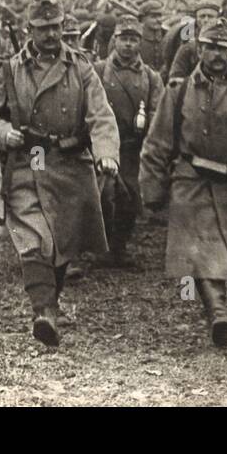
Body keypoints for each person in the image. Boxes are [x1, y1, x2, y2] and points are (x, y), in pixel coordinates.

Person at [0, 0, 121, 347]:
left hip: (71, 164)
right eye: (43, 29)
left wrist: (106, 152)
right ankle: (44, 311)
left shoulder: (80, 67)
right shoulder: (9, 69)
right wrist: (2, 133)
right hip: (28, 160)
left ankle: (49, 303)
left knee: (63, 242)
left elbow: (100, 114)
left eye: (56, 27)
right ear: (29, 31)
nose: (52, 35)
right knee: (35, 239)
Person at [139, 20, 227, 347]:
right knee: (202, 251)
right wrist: (152, 190)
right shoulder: (178, 92)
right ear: (198, 49)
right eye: (209, 47)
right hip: (193, 181)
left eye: (222, 48)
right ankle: (218, 310)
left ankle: (214, 301)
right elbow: (158, 143)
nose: (216, 55)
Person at [92, 14, 164, 267]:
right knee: (105, 194)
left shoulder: (151, 77)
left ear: (140, 43)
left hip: (134, 148)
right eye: (124, 39)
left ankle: (119, 249)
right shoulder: (99, 70)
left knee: (131, 199)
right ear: (114, 40)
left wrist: (149, 141)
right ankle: (100, 246)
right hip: (104, 144)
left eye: (134, 40)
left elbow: (158, 111)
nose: (128, 45)